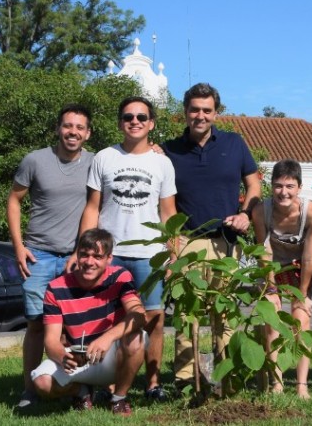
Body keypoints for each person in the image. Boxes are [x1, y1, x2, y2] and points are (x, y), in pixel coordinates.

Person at [162, 82, 262, 391]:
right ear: (185, 113)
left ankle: (226, 379)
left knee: (225, 315)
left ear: (216, 113)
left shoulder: (234, 144)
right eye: (194, 110)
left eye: (207, 110)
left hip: (224, 242)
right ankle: (185, 381)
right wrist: (172, 248)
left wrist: (246, 213)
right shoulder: (169, 150)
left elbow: (255, 185)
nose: (200, 115)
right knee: (185, 315)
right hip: (186, 241)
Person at [77, 96, 176, 402]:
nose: (135, 121)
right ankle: (107, 385)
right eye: (128, 117)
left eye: (141, 117)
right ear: (120, 122)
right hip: (111, 253)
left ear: (151, 123)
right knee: (106, 320)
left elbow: (168, 212)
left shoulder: (162, 162)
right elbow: (92, 207)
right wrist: (83, 251)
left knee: (154, 319)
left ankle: (152, 384)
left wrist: (172, 253)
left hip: (150, 254)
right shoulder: (105, 157)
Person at [6, 104, 93, 408]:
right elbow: (14, 200)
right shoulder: (35, 160)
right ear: (59, 129)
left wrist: (80, 252)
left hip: (75, 259)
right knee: (36, 324)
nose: (73, 132)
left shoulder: (95, 163)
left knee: (75, 328)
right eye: (68, 126)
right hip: (39, 256)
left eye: (79, 127)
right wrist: (19, 246)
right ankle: (30, 389)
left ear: (88, 133)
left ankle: (77, 387)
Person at [30, 228, 146, 416]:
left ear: (109, 258)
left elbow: (139, 315)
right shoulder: (56, 288)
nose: (89, 262)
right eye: (84, 255)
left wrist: (106, 338)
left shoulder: (120, 277)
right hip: (79, 359)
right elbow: (51, 341)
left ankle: (118, 398)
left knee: (137, 338)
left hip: (111, 358)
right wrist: (62, 357)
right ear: (77, 256)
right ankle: (81, 392)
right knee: (41, 383)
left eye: (97, 256)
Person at [250, 159, 312, 399]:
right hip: (272, 268)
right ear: (271, 186)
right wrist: (270, 288)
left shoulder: (311, 212)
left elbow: (310, 256)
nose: (284, 192)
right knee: (272, 322)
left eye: (290, 186)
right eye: (279, 186)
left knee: (300, 322)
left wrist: (301, 296)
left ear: (299, 187)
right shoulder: (261, 211)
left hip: (301, 269)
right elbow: (264, 250)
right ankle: (277, 382)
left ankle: (302, 385)